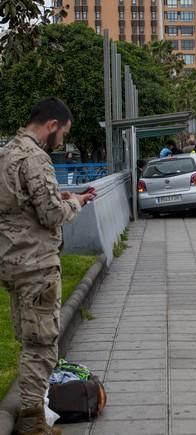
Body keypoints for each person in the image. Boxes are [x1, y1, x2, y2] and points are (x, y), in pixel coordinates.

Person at [0, 97, 95, 435]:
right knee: (41, 345)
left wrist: (68, 199)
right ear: (52, 125)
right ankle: (33, 423)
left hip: (11, 260)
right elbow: (51, 214)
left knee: (28, 339)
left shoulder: (6, 153)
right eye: (64, 133)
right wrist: (75, 205)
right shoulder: (35, 158)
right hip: (36, 264)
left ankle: (32, 413)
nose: (63, 140)